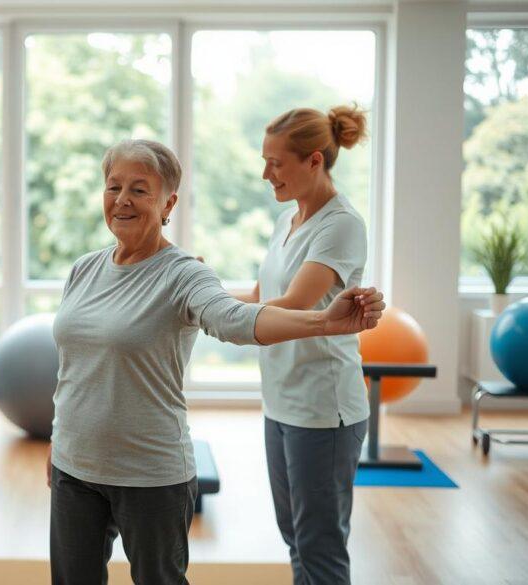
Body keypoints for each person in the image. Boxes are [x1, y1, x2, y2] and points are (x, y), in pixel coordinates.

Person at [46, 138, 384, 585]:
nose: (122, 200)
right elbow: (71, 370)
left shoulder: (184, 273)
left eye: (139, 189)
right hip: (75, 467)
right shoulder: (84, 269)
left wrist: (323, 322)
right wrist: (57, 439)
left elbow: (236, 320)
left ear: (169, 202)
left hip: (151, 475)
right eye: (113, 187)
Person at [231, 105, 371, 585]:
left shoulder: (341, 224)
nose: (265, 173)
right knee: (295, 535)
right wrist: (191, 286)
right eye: (265, 160)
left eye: (276, 162)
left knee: (319, 545)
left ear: (314, 160)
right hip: (282, 401)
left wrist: (221, 316)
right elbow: (258, 298)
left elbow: (292, 305)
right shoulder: (288, 220)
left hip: (323, 408)